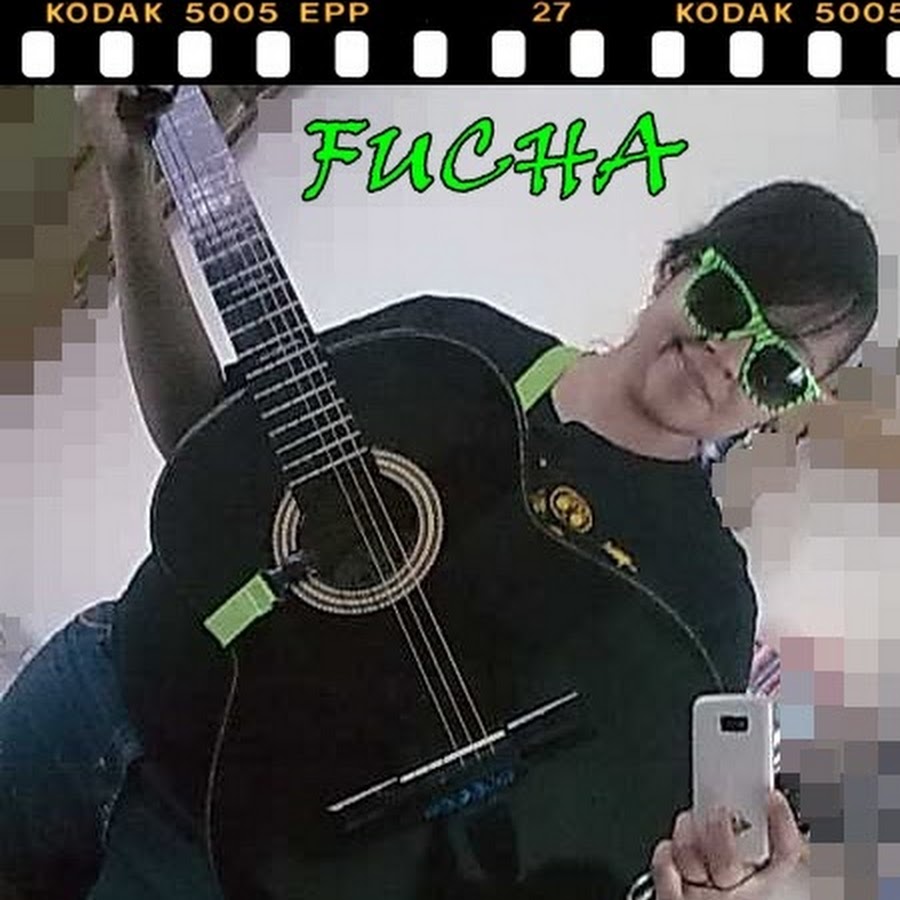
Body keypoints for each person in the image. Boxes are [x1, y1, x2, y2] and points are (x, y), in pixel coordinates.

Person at [0, 85, 875, 899]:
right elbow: (203, 436)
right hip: (96, 689)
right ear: (674, 269)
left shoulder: (702, 598)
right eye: (724, 302)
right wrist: (128, 187)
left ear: (782, 405)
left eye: (774, 367)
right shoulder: (452, 346)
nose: (728, 355)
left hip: (236, 854)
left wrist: (714, 879)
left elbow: (591, 844)